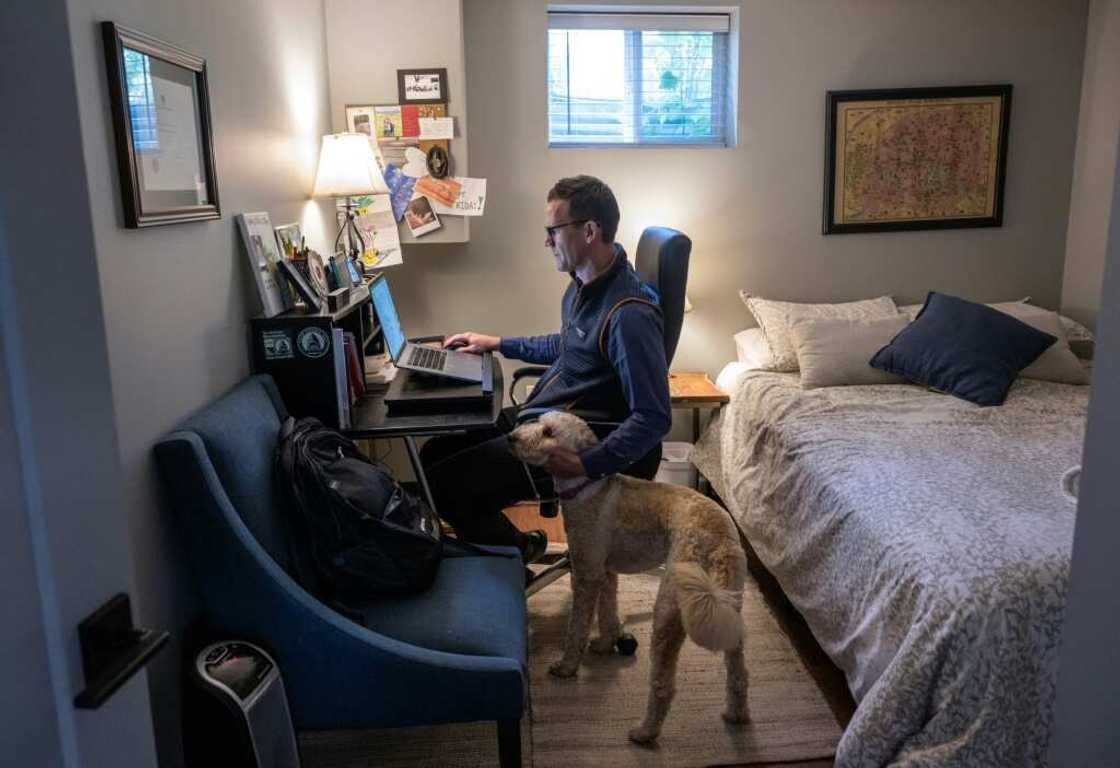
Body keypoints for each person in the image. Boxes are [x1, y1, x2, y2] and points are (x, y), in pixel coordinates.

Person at [419, 175, 671, 564]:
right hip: (541, 419)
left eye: (553, 230)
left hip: (573, 443)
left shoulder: (629, 315)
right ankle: (513, 547)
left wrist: (587, 463)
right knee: (433, 454)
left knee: (444, 484)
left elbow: (653, 418)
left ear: (589, 231)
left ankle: (513, 561)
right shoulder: (583, 284)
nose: (546, 241)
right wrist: (498, 343)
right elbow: (568, 346)